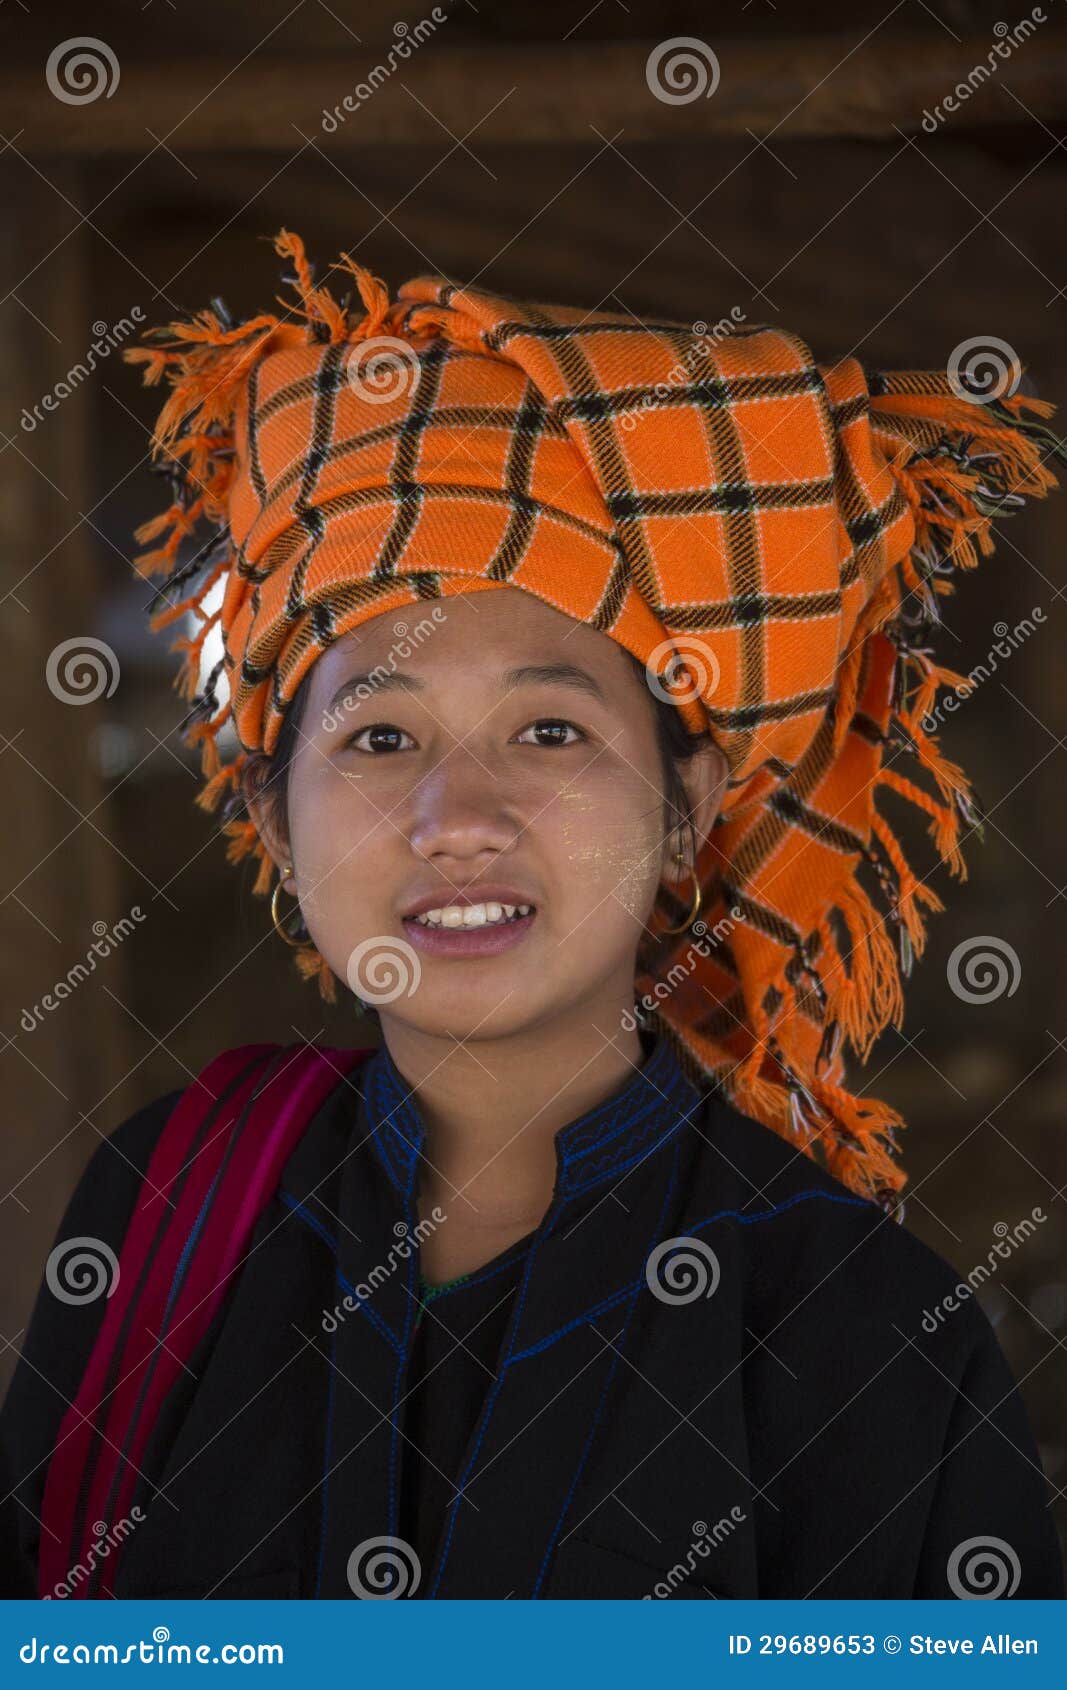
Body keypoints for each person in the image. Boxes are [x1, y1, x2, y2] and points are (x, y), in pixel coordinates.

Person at [1, 230, 1063, 1601]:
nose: (459, 815)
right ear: (273, 817)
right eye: (380, 739)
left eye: (550, 727)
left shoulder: (856, 1318)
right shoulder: (169, 1201)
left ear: (688, 806)